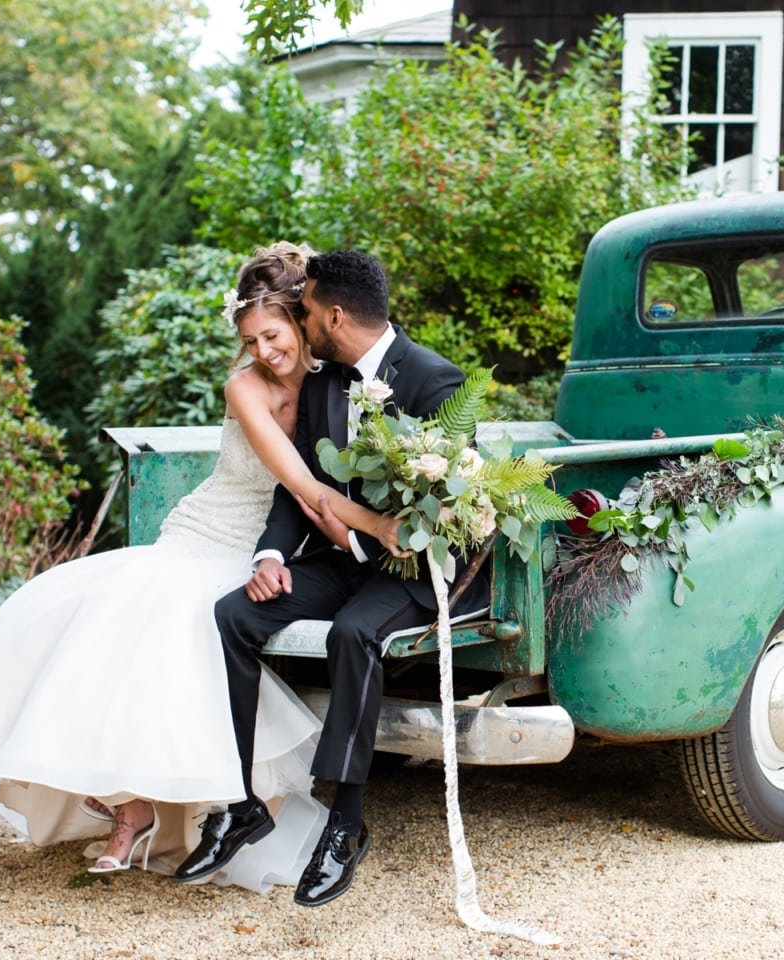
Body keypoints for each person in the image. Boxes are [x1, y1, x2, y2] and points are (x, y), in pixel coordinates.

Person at [0, 242, 404, 891]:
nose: (263, 351)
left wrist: (367, 528)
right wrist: (376, 528)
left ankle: (171, 802)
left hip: (259, 546)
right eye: (250, 339)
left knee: (171, 619)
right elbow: (303, 484)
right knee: (92, 605)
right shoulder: (243, 386)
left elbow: (322, 488)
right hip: (203, 531)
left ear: (300, 323)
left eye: (273, 334)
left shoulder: (332, 383)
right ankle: (128, 796)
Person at [172, 250, 490, 908]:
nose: (302, 318)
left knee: (352, 634)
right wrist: (270, 558)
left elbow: (454, 511)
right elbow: (298, 495)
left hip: (415, 567)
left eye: (308, 310)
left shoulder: (436, 381)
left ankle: (344, 823)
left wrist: (400, 527)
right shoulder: (324, 384)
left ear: (334, 315)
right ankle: (240, 799)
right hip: (341, 559)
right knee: (233, 616)